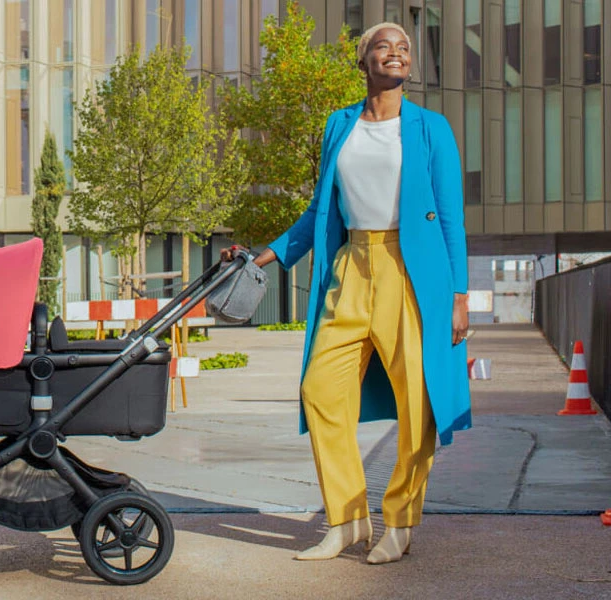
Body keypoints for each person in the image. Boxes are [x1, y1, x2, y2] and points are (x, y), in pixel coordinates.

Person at [223, 22, 471, 564]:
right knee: (320, 390)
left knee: (419, 405)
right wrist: (258, 255)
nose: (396, 53)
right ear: (363, 61)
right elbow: (318, 215)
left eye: (404, 48)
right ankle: (348, 519)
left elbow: (451, 217)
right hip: (351, 268)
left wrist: (458, 295)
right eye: (384, 46)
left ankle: (400, 521)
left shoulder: (431, 129)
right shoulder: (340, 126)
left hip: (412, 272)